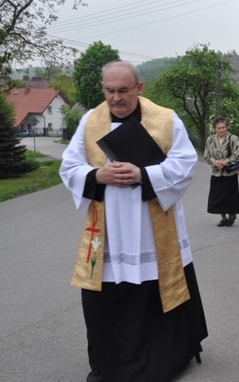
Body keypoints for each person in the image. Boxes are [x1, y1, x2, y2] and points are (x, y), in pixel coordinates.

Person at [60, 61, 207, 382]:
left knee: (154, 296)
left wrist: (144, 174)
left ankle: (161, 362)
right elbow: (68, 167)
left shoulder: (166, 120)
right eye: (109, 91)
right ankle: (107, 365)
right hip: (109, 234)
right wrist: (97, 174)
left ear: (139, 88)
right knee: (106, 300)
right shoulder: (90, 121)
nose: (115, 98)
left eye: (123, 91)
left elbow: (185, 164)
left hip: (152, 232)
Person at [204, 117, 239, 227]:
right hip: (216, 172)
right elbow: (207, 155)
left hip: (230, 172)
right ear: (215, 129)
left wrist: (224, 162)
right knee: (217, 196)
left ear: (226, 128)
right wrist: (216, 163)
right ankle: (223, 218)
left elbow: (238, 154)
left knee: (230, 195)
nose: (221, 130)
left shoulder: (233, 138)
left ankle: (232, 214)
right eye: (219, 128)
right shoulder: (210, 139)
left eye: (223, 128)